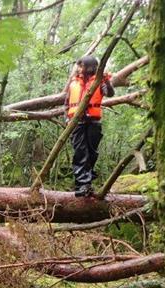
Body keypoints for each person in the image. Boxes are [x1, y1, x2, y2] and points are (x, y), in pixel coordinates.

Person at [65, 55, 115, 197]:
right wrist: (66, 119)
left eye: (82, 66)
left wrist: (107, 82)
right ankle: (82, 185)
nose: (79, 68)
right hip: (77, 122)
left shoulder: (99, 81)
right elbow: (66, 103)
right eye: (79, 66)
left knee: (92, 153)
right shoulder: (74, 83)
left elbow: (109, 93)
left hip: (94, 122)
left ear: (90, 67)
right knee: (80, 152)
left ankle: (88, 181)